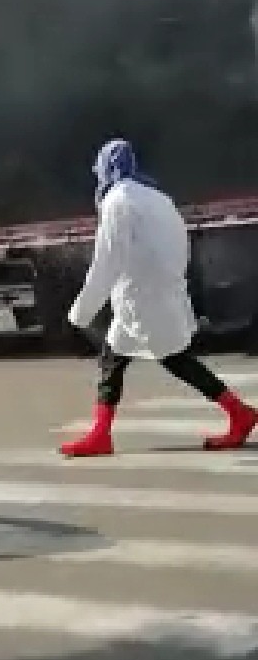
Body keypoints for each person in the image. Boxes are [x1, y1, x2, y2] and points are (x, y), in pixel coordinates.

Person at [61, 138, 258, 457]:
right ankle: (100, 434)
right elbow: (180, 245)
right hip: (154, 294)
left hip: (141, 298)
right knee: (113, 359)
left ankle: (239, 412)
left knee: (175, 361)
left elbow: (106, 261)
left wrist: (81, 313)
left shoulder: (117, 202)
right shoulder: (158, 197)